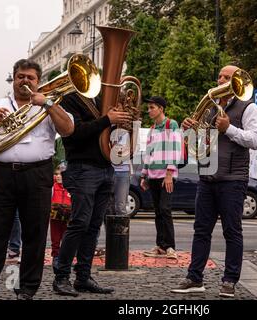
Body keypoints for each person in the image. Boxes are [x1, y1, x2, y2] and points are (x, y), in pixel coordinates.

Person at [0, 59, 74, 300]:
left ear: (38, 82)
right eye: (20, 77)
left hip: (37, 174)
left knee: (35, 233)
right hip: (2, 173)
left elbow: (68, 129)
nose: (25, 81)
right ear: (13, 79)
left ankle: (27, 288)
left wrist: (47, 103)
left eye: (30, 77)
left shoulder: (49, 104)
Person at [171, 65, 257, 298]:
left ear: (237, 82)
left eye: (227, 77)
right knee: (201, 230)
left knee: (232, 231)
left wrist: (229, 128)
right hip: (207, 177)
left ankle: (230, 280)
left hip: (233, 179)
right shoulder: (210, 108)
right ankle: (194, 277)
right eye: (220, 76)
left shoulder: (249, 107)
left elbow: (256, 140)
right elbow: (200, 147)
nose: (221, 79)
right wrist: (188, 131)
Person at [52, 92, 131, 297]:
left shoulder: (100, 101)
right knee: (80, 223)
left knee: (94, 225)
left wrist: (122, 122)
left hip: (105, 167)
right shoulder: (69, 100)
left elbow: (108, 134)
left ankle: (83, 276)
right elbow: (75, 132)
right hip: (82, 168)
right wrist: (107, 119)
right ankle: (61, 277)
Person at [140, 96, 179, 260]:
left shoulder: (171, 125)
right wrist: (144, 174)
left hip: (166, 176)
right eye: (148, 108)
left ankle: (170, 246)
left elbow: (175, 149)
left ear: (161, 109)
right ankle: (161, 246)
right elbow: (148, 154)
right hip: (153, 176)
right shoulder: (152, 128)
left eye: (152, 107)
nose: (149, 111)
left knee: (165, 209)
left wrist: (169, 173)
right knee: (157, 211)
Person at [50, 168, 71, 270]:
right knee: (55, 237)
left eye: (61, 174)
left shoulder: (70, 188)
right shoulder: (53, 187)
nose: (58, 176)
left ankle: (65, 257)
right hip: (55, 217)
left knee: (67, 237)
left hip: (68, 217)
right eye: (56, 174)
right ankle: (56, 256)